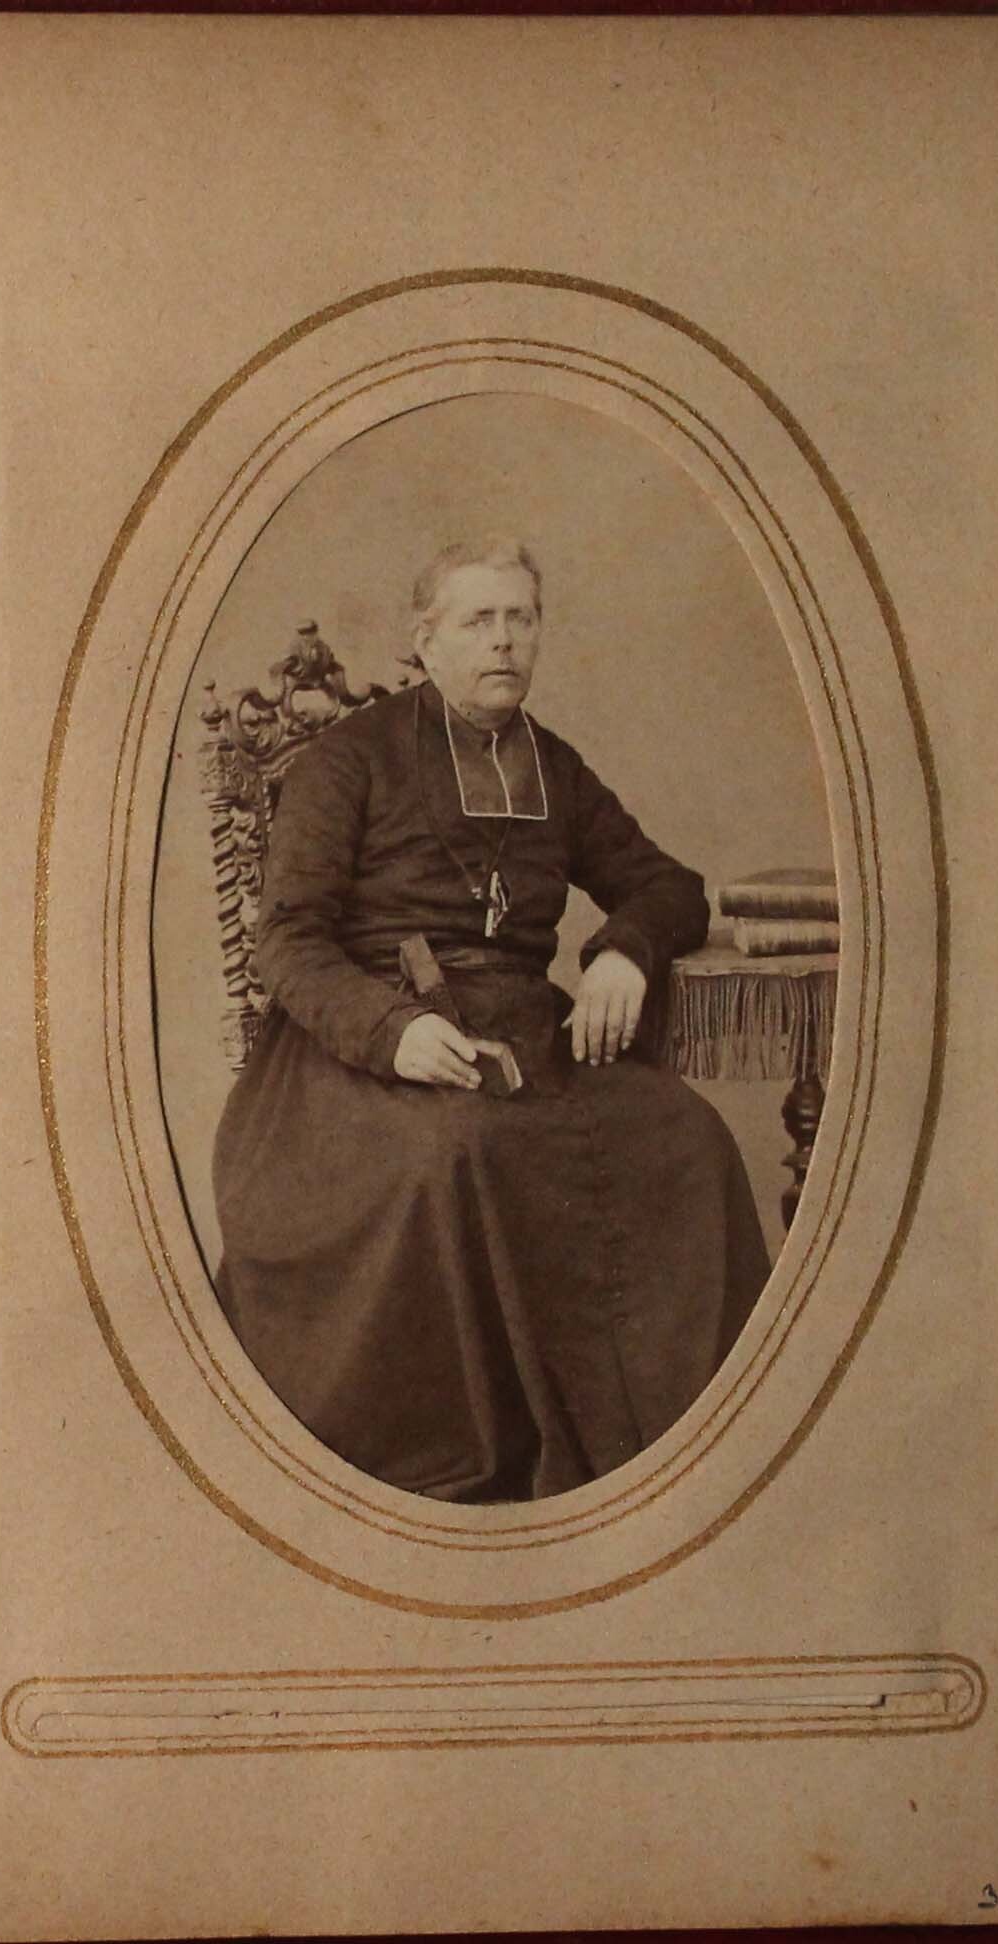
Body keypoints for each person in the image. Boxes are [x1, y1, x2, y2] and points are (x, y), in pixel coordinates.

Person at [212, 538, 769, 1502]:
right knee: (458, 1149)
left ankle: (680, 1441)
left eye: (521, 618)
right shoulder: (350, 760)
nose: (504, 641)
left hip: (525, 1032)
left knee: (685, 1135)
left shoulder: (552, 766)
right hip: (363, 1048)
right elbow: (289, 943)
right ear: (427, 641)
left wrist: (624, 952)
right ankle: (498, 1456)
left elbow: (667, 884)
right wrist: (393, 1033)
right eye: (479, 620)